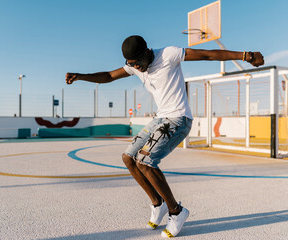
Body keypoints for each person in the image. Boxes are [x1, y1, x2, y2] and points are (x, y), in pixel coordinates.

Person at [66, 35, 264, 238]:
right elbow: (108, 76)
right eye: (130, 65)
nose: (136, 68)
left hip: (179, 119)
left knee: (146, 162)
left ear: (146, 54)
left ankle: (176, 212)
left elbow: (206, 55)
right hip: (160, 119)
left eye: (137, 63)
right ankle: (157, 203)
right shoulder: (135, 65)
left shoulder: (169, 54)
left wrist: (245, 55)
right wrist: (81, 76)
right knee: (129, 158)